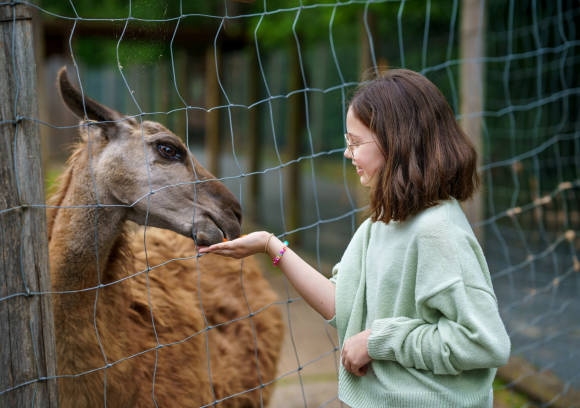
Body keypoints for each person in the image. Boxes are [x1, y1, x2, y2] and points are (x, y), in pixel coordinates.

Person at [198, 69, 510, 408]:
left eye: (355, 142)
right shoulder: (381, 224)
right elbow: (342, 305)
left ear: (398, 140)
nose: (348, 154)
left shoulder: (439, 231)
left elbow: (483, 342)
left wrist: (379, 340)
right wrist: (269, 244)